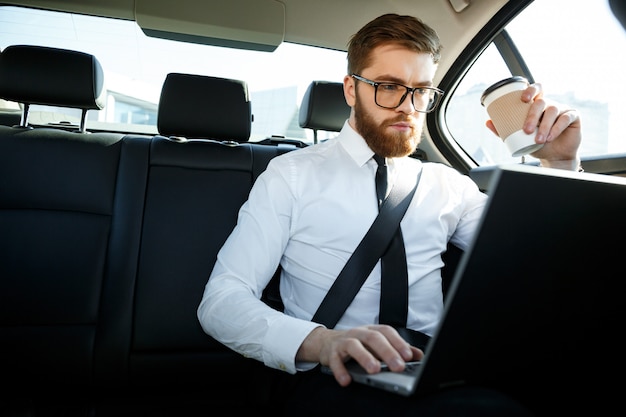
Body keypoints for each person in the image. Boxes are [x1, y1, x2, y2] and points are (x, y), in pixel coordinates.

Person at [197, 13, 581, 416]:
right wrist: (322, 343)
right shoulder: (291, 175)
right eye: (388, 87)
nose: (407, 107)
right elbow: (221, 302)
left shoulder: (449, 186)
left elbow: (539, 256)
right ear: (351, 89)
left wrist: (560, 164)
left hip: (433, 375)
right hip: (331, 377)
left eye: (420, 91)